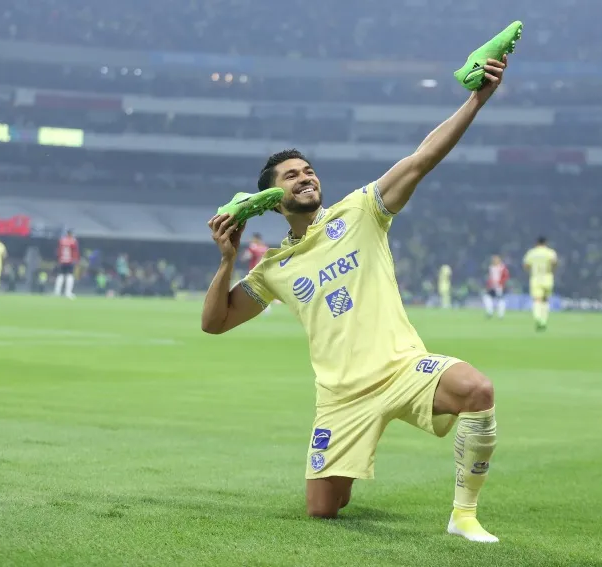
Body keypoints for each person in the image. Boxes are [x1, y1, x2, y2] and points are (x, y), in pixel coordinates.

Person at [202, 56, 511, 543]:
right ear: (268, 199)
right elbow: (214, 322)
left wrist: (476, 100)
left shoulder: (362, 210)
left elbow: (420, 159)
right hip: (340, 396)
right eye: (291, 176)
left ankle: (464, 516)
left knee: (478, 390)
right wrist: (227, 260)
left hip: (401, 368)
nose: (306, 177)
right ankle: (345, 467)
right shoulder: (274, 269)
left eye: (308, 170)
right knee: (323, 510)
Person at [523, 236, 558, 331]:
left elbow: (526, 265)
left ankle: (538, 318)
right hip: (547, 278)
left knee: (537, 300)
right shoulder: (550, 252)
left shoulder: (532, 253)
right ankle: (544, 320)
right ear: (546, 243)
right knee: (545, 300)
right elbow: (554, 262)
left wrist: (531, 270)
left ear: (536, 243)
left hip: (535, 278)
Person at [54, 230, 79, 298]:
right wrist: (76, 259)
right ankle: (68, 292)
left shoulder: (62, 240)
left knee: (60, 276)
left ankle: (57, 292)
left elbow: (58, 250)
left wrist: (58, 259)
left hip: (62, 261)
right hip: (70, 261)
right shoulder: (73, 241)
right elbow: (75, 251)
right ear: (71, 234)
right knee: (69, 276)